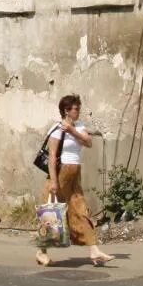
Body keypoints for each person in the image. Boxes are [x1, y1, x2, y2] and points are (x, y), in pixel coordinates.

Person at [37, 94, 115, 267]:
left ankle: (94, 251)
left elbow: (88, 142)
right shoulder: (56, 128)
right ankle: (41, 252)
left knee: (81, 209)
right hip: (61, 173)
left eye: (78, 108)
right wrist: (55, 182)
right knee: (52, 213)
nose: (78, 111)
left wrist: (72, 130)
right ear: (66, 110)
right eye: (75, 108)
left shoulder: (79, 126)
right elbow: (51, 157)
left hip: (75, 172)